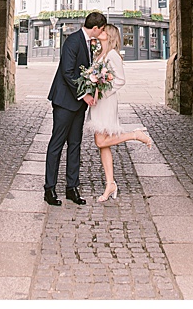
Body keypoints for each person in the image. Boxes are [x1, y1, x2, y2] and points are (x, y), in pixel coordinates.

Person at [85, 24, 155, 202]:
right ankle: (110, 184)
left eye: (103, 30)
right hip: (98, 102)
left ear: (110, 35)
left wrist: (102, 90)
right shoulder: (100, 53)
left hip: (106, 102)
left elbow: (120, 80)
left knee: (101, 141)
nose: (100, 31)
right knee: (104, 144)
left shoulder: (113, 55)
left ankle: (134, 135)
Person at [44, 11, 107, 206]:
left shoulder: (89, 43)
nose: (102, 32)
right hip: (64, 101)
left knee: (75, 144)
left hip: (78, 104)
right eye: (102, 29)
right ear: (95, 28)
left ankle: (72, 187)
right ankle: (49, 189)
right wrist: (84, 95)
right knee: (57, 144)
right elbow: (67, 72)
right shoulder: (73, 40)